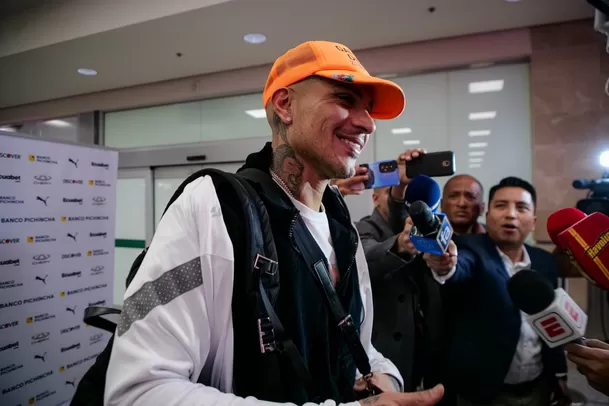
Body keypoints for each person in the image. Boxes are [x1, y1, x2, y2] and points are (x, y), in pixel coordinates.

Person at [104, 40, 444, 406]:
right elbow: (138, 392)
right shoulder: (214, 208)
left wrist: (385, 377)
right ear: (285, 105)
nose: (368, 124)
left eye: (368, 108)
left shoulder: (342, 224)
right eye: (346, 99)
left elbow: (355, 347)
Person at [423, 177, 569, 406]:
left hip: (538, 387)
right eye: (501, 206)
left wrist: (559, 373)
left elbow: (552, 320)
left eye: (521, 208)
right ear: (487, 214)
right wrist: (445, 264)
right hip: (481, 393)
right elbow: (458, 268)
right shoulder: (469, 248)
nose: (511, 214)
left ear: (533, 221)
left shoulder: (544, 262)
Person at [354, 150, 447, 395]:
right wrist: (401, 245)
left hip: (422, 352)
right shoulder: (362, 228)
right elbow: (366, 259)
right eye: (392, 193)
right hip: (381, 357)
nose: (404, 201)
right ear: (375, 198)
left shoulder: (424, 228)